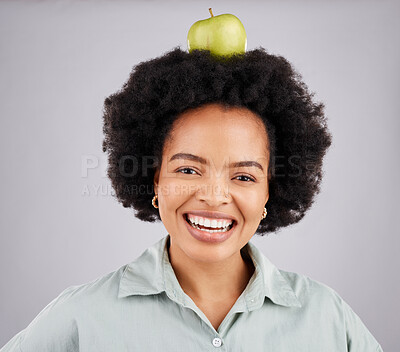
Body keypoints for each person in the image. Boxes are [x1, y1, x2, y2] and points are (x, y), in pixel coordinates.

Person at [1, 47, 383, 351]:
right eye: (188, 170)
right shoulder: (81, 319)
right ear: (153, 178)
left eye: (244, 176)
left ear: (271, 189)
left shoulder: (327, 319)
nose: (215, 196)